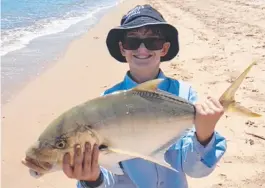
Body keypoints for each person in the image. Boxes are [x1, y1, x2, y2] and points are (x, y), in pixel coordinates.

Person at [62, 4, 227, 188]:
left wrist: (204, 135)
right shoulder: (106, 103)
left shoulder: (184, 94)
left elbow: (195, 170)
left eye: (152, 42)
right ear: (122, 48)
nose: (142, 50)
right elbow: (107, 175)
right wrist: (92, 178)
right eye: (132, 42)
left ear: (164, 49)